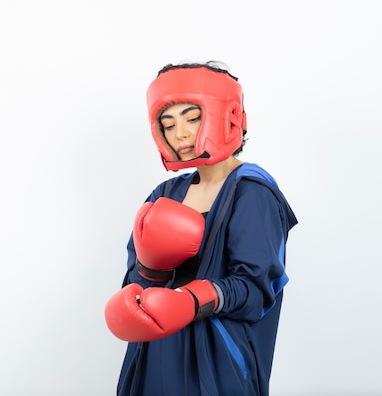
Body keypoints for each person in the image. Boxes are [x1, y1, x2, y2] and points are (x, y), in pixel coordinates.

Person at [104, 60, 298, 396]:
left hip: (216, 364)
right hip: (154, 354)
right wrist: (148, 273)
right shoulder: (165, 194)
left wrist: (192, 300)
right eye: (167, 124)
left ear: (228, 117)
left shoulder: (252, 191)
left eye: (192, 118)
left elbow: (256, 289)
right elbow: (135, 282)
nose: (179, 133)